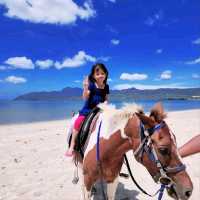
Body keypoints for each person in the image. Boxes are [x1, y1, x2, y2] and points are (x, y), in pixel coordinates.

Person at [65, 63, 109, 156]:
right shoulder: (92, 85)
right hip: (88, 109)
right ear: (93, 76)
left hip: (100, 109)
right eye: (97, 74)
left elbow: (106, 99)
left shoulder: (106, 86)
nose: (100, 75)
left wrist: (105, 104)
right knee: (78, 122)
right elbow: (85, 97)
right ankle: (72, 146)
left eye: (102, 73)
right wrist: (85, 87)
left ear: (105, 74)